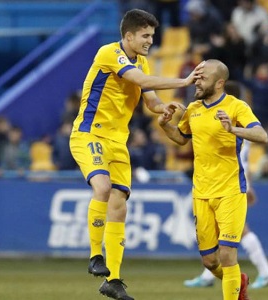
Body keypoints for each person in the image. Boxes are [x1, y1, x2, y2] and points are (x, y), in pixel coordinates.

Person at [69, 9, 202, 300]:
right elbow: (140, 80)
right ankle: (95, 257)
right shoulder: (109, 53)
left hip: (118, 142)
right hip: (90, 134)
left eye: (152, 36)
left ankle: (113, 280)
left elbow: (151, 100)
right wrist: (182, 82)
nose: (149, 41)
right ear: (128, 36)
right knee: (102, 187)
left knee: (120, 205)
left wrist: (164, 109)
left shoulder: (141, 61)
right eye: (145, 35)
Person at [158, 60, 268, 300]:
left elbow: (262, 135)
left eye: (203, 77)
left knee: (228, 255)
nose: (197, 81)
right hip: (201, 192)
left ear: (219, 83)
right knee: (210, 261)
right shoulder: (193, 108)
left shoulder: (236, 106)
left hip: (230, 190)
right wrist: (165, 125)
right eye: (196, 76)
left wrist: (233, 130)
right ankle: (238, 282)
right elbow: (181, 138)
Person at [182, 80, 268, 290]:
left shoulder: (233, 119)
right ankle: (211, 274)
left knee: (237, 234)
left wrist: (248, 186)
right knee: (220, 237)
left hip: (231, 184)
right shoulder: (233, 119)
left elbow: (240, 158)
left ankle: (265, 271)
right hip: (223, 183)